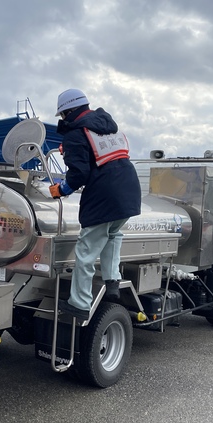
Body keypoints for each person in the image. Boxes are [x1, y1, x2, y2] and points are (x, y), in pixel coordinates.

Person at [49, 89, 142, 320]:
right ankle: (112, 282)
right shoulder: (107, 126)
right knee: (112, 234)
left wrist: (61, 190)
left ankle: (80, 304)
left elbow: (79, 174)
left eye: (62, 115)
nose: (62, 120)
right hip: (129, 190)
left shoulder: (75, 133)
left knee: (86, 251)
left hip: (106, 194)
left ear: (69, 112)